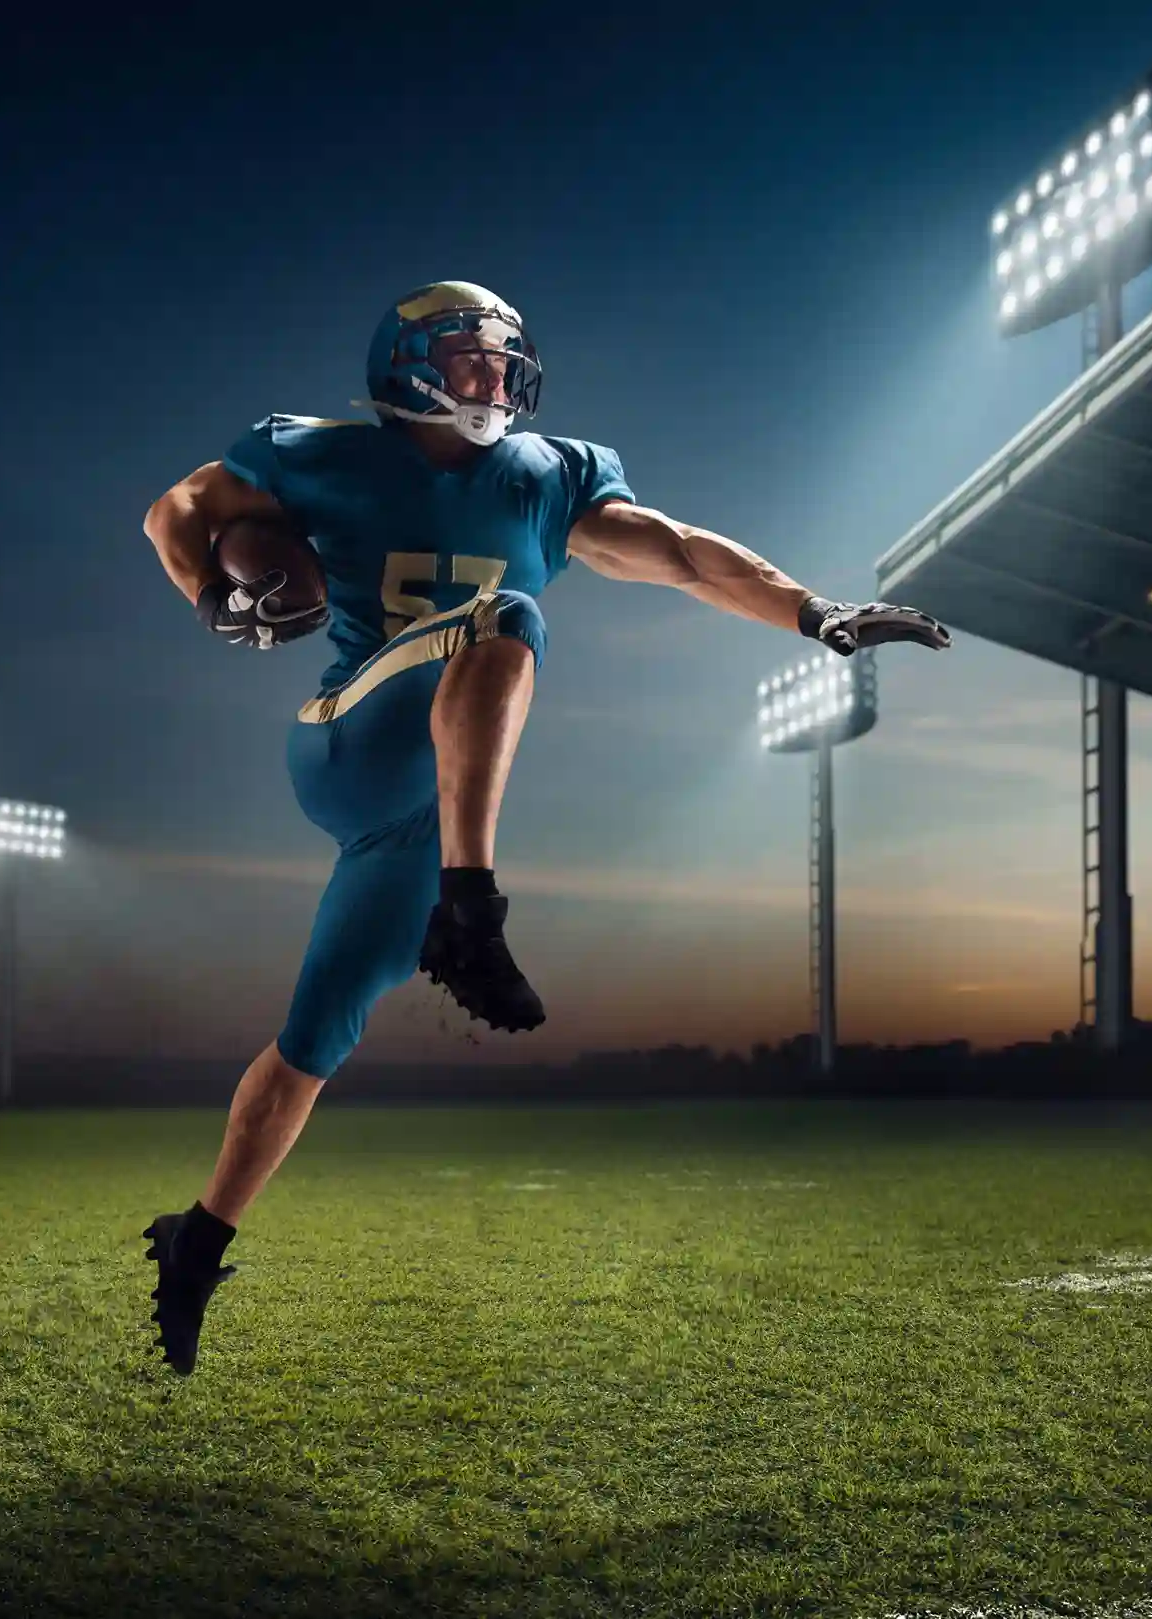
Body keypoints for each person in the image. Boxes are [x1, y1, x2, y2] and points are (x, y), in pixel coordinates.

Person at [135, 281, 951, 1375]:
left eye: (502, 360)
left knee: (313, 1042)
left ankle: (195, 1240)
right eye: (469, 358)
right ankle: (471, 913)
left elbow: (683, 554)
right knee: (505, 616)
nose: (493, 378)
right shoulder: (319, 451)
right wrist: (211, 593)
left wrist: (816, 610)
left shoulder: (548, 474)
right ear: (407, 364)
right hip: (348, 741)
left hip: (423, 811)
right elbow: (174, 511)